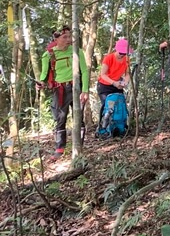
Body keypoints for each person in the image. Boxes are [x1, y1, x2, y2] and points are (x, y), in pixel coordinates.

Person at [37, 25, 89, 160]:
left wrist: (84, 91)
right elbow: (44, 73)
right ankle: (60, 148)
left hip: (76, 87)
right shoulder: (48, 54)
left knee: (78, 118)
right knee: (60, 119)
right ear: (56, 38)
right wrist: (41, 83)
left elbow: (84, 71)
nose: (69, 40)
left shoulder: (76, 51)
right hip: (60, 90)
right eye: (65, 37)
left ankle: (79, 148)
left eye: (70, 36)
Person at [97, 38, 131, 127]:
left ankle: (120, 127)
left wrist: (125, 82)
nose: (122, 55)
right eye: (121, 53)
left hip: (117, 86)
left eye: (124, 53)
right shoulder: (109, 58)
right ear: (116, 50)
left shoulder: (126, 59)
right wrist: (113, 82)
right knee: (109, 107)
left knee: (119, 105)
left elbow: (127, 73)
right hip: (105, 86)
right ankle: (105, 127)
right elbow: (103, 75)